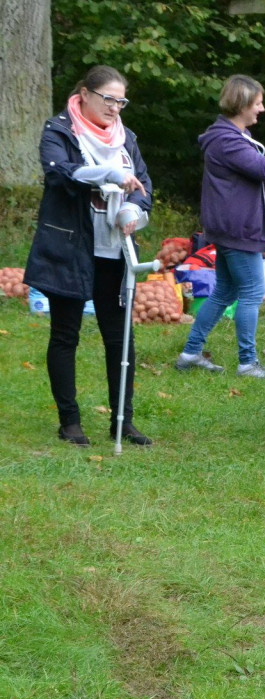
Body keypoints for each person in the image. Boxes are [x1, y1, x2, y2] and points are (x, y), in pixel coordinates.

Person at [24, 65, 153, 447]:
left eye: (121, 101)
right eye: (108, 99)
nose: (115, 108)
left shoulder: (126, 137)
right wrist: (108, 174)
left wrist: (133, 209)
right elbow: (60, 174)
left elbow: (143, 185)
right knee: (66, 335)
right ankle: (70, 422)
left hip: (114, 252)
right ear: (84, 94)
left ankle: (122, 421)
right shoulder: (59, 131)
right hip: (69, 248)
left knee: (120, 337)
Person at [175, 74, 265, 379]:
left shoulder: (230, 138)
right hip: (238, 230)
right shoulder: (226, 139)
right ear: (242, 103)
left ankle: (190, 353)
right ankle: (247, 363)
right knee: (253, 292)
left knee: (225, 292)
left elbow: (248, 177)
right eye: (257, 103)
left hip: (230, 227)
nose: (261, 109)